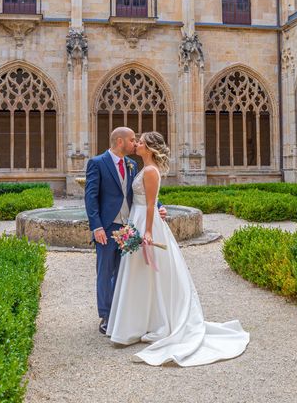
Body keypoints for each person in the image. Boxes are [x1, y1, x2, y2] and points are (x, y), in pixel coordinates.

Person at [106, 131, 250, 366]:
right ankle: (143, 322)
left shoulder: (150, 171)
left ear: (150, 148)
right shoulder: (142, 167)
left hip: (146, 222)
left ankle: (154, 324)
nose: (137, 144)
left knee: (149, 273)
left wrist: (149, 231)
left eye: (140, 142)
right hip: (138, 219)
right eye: (137, 140)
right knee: (142, 274)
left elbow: (151, 204)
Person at [84, 127, 166, 335]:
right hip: (107, 227)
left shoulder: (131, 164)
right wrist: (97, 227)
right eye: (132, 140)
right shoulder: (97, 163)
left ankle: (121, 315)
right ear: (120, 142)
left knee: (124, 273)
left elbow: (143, 193)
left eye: (137, 140)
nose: (135, 143)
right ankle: (105, 316)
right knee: (105, 272)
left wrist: (158, 207)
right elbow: (90, 197)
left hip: (130, 227)